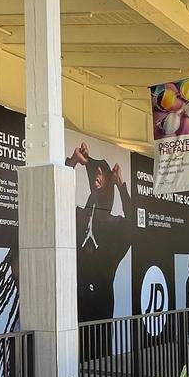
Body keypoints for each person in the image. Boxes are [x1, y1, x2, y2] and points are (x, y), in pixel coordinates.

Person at [66, 143, 131, 359]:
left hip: (101, 316)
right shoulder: (79, 220)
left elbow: (134, 225)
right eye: (96, 170)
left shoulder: (114, 229)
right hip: (75, 314)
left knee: (98, 365)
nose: (97, 173)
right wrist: (72, 163)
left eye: (102, 171)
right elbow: (57, 201)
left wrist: (121, 186)